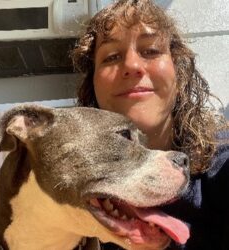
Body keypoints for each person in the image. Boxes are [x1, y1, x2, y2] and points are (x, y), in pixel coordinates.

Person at [71, 0, 229, 249]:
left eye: (151, 51)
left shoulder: (221, 161)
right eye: (112, 57)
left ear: (179, 73)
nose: (132, 66)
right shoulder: (73, 192)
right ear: (92, 87)